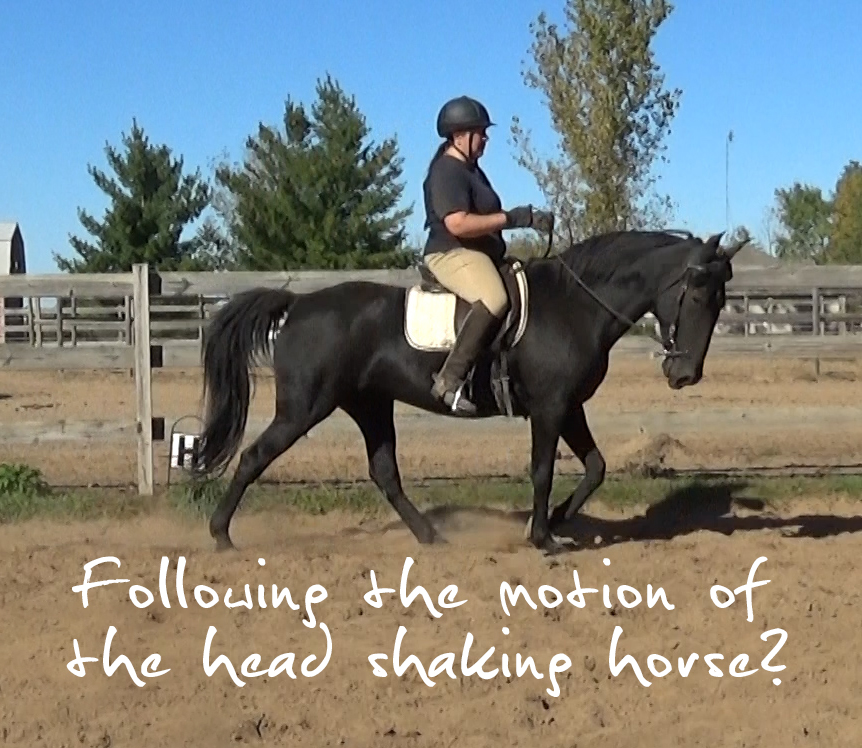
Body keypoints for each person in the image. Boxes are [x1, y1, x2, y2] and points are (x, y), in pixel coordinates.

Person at [422, 95, 553, 416]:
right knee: (495, 298)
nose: (485, 138)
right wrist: (513, 219)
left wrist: (530, 220)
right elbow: (458, 223)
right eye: (480, 132)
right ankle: (449, 380)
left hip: (481, 253)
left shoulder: (472, 170)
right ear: (460, 136)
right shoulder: (446, 171)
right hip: (452, 252)